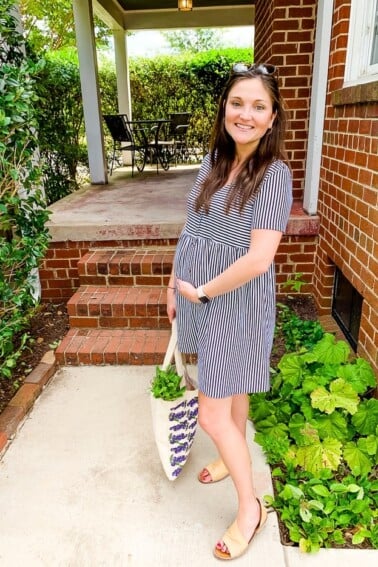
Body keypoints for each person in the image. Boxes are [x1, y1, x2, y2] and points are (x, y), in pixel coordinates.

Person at [166, 62, 293, 561]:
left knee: (212, 411)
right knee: (233, 389)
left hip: (234, 302)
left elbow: (260, 258)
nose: (245, 113)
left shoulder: (274, 175)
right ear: (224, 108)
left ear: (272, 117)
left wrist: (203, 293)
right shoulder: (213, 162)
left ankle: (250, 509)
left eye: (258, 106)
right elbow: (191, 229)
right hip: (198, 293)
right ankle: (228, 455)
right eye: (237, 102)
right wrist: (173, 286)